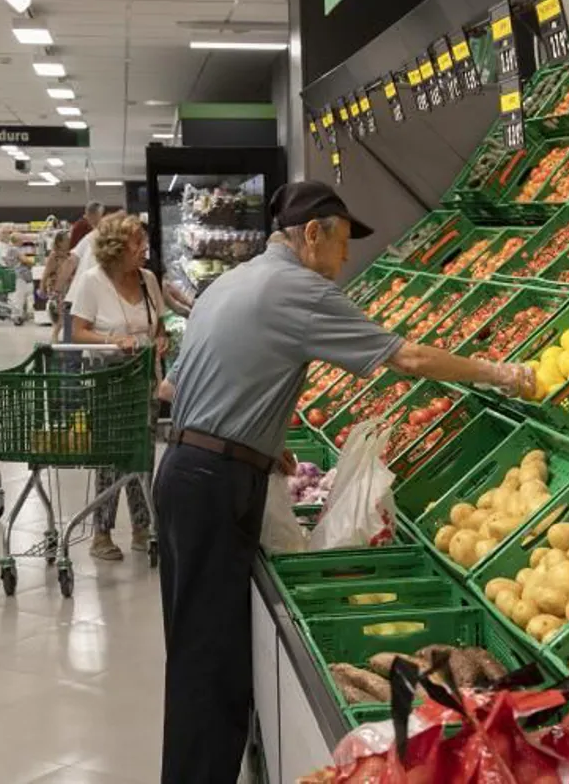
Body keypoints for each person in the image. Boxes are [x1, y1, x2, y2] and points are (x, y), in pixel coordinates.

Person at [153, 181, 534, 783]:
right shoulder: (297, 288)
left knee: (196, 654)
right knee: (211, 666)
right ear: (312, 235)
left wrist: (261, 439)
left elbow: (179, 385)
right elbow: (406, 359)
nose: (346, 259)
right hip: (214, 482)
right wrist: (500, 373)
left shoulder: (233, 282)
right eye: (341, 243)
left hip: (183, 470)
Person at [70, 213, 166, 562]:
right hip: (107, 378)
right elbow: (78, 331)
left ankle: (143, 527)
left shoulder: (148, 280)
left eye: (143, 241)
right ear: (116, 249)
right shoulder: (93, 282)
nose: (144, 249)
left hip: (144, 378)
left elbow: (158, 325)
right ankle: (102, 533)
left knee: (142, 455)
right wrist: (112, 339)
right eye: (137, 243)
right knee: (111, 457)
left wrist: (161, 339)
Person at [41, 231, 74, 343]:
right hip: (57, 289)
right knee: (59, 316)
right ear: (59, 242)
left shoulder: (71, 255)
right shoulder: (54, 256)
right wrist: (42, 288)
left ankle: (60, 338)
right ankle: (54, 338)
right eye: (66, 240)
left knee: (65, 315)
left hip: (68, 288)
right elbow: (46, 273)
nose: (69, 242)